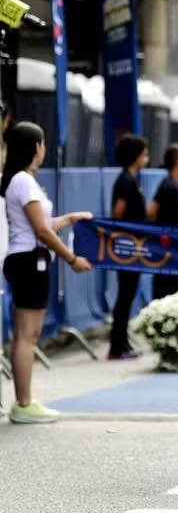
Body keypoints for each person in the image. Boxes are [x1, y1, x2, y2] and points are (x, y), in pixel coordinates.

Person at [1, 121, 93, 423]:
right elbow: (40, 230)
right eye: (42, 144)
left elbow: (42, 224)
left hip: (24, 258)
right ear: (36, 147)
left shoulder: (18, 180)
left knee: (24, 334)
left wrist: (69, 218)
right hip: (31, 260)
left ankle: (23, 400)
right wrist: (71, 259)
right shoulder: (24, 182)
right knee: (28, 335)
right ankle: (24, 402)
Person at [108, 133, 150, 360]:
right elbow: (118, 212)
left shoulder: (133, 180)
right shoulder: (125, 181)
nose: (147, 158)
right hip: (127, 246)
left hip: (136, 246)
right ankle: (116, 345)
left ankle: (123, 341)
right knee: (125, 295)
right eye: (144, 154)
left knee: (129, 294)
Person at [147, 143, 178, 299]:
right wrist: (162, 238)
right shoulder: (168, 186)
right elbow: (152, 211)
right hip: (168, 253)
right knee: (165, 293)